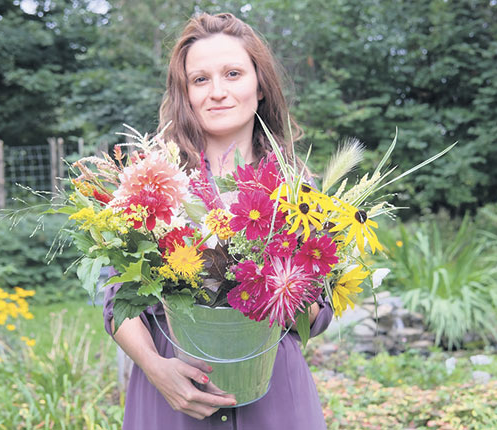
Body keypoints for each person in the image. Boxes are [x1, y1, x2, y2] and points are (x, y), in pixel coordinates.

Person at [103, 12, 333, 429]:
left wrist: (293, 288)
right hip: (172, 397)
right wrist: (157, 368)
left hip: (273, 398)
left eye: (232, 73)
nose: (218, 92)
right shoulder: (151, 181)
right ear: (185, 93)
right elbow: (117, 299)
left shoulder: (299, 189)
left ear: (260, 85)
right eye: (201, 79)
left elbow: (320, 311)